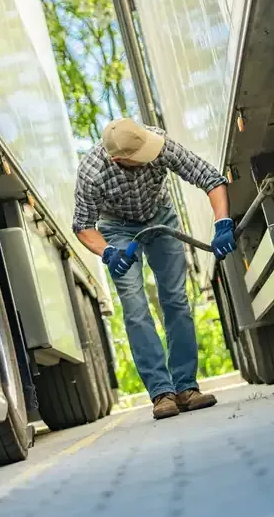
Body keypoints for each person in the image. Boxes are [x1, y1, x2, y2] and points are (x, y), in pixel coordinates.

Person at [72, 118, 236, 420]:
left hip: (160, 217)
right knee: (135, 308)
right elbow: (83, 226)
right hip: (117, 229)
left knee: (175, 300)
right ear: (117, 159)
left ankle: (186, 387)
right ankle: (162, 393)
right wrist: (108, 252)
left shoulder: (157, 142)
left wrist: (222, 222)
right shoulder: (92, 172)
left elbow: (209, 178)